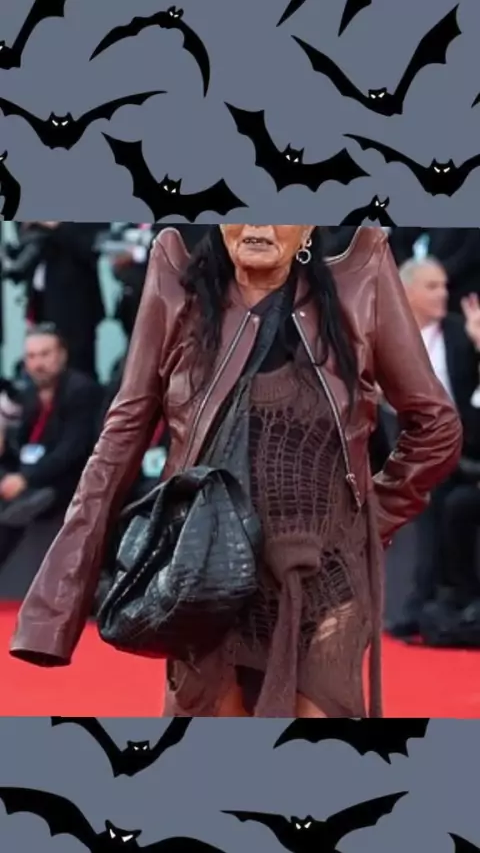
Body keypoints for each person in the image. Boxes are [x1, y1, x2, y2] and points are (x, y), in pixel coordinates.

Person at [9, 225, 462, 719]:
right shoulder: (179, 291)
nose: (257, 225)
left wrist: (370, 523)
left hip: (326, 573)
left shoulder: (360, 286)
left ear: (309, 225)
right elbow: (121, 436)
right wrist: (56, 600)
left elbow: (435, 425)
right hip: (208, 570)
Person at [389, 258, 480, 638]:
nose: (443, 293)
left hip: (468, 452)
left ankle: (429, 601)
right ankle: (425, 601)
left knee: (435, 491)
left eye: (444, 285)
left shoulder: (462, 334)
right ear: (407, 292)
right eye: (432, 286)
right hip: (410, 448)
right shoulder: (388, 336)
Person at [0, 324, 102, 567]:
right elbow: (23, 448)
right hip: (33, 478)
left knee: (17, 512)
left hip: (67, 481)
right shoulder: (28, 395)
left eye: (45, 354)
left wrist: (25, 478)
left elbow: (71, 451)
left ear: (62, 355)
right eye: (31, 356)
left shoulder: (81, 390)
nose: (38, 364)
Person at [12, 222, 105, 377]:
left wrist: (53, 224)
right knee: (40, 367)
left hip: (75, 305)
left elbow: (91, 245)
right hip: (39, 299)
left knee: (77, 369)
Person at [389, 228, 480, 314]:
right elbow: (400, 239)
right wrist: (409, 269)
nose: (442, 293)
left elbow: (469, 250)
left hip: (462, 289)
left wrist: (436, 271)